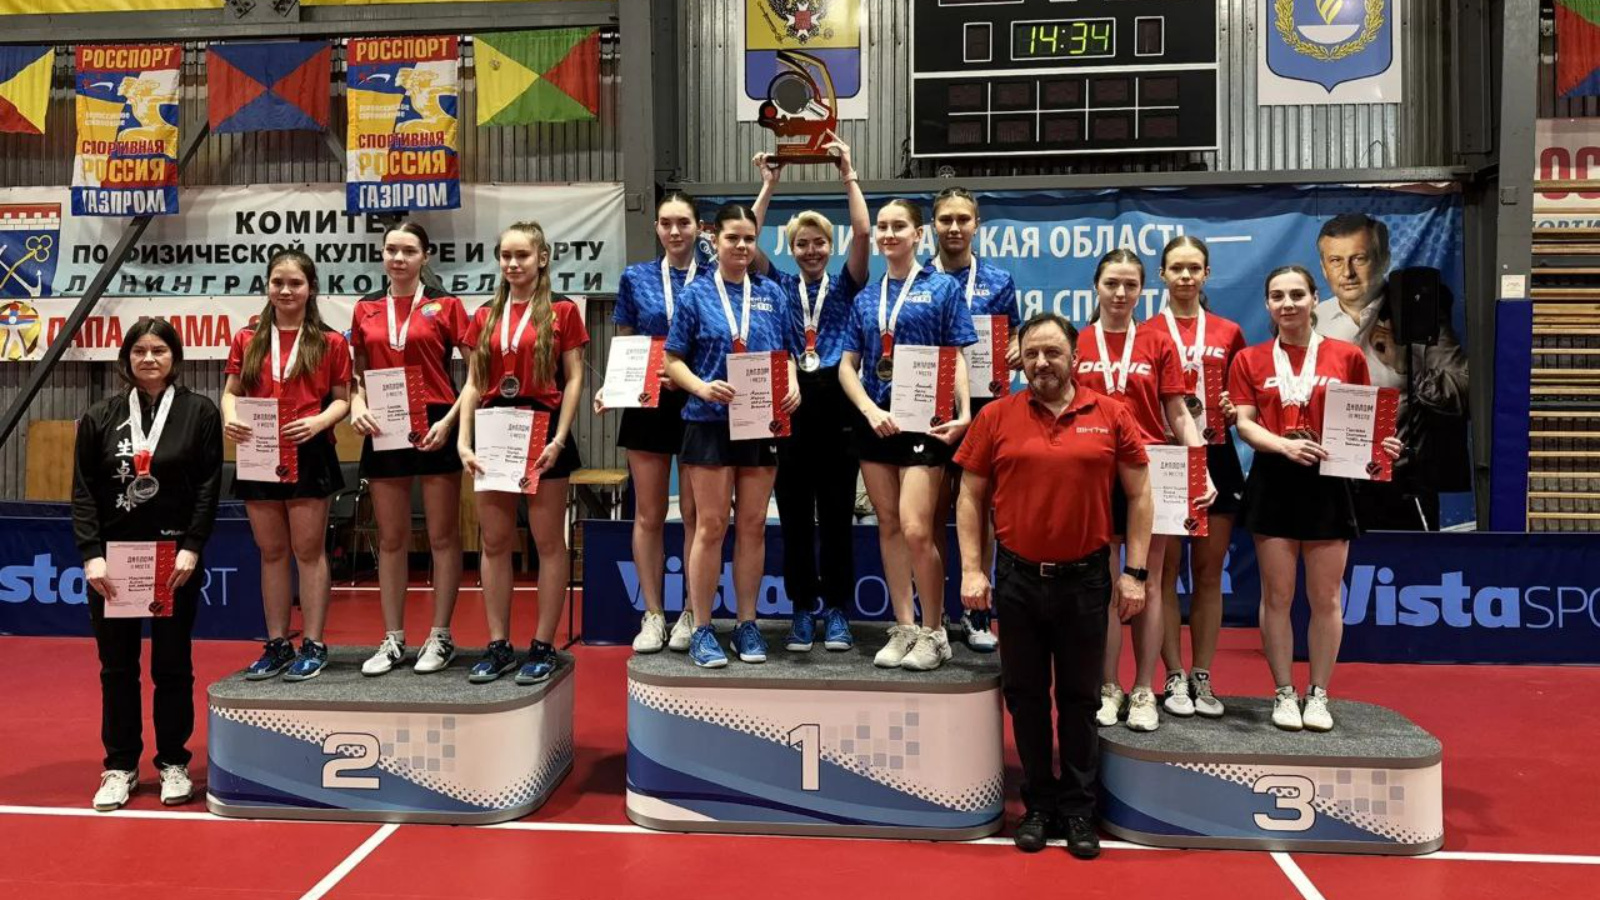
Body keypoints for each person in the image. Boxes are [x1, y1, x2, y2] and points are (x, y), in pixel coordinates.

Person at [956, 312, 1152, 859]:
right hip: (1017, 578)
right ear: (1020, 359)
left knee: (1081, 698)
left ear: (1075, 357)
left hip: (1086, 580)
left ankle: (1079, 808)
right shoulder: (995, 416)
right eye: (1032, 354)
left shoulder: (1111, 414)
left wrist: (1135, 572)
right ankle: (1040, 804)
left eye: (1053, 353)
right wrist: (972, 568)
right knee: (1026, 698)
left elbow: (1140, 495)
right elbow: (969, 496)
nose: (1041, 363)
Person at [1231, 265, 1403, 732]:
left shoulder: (1346, 355)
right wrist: (1283, 445)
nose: (1287, 304)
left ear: (1313, 299)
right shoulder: (1250, 360)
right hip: (1274, 480)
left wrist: (1381, 444)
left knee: (1325, 596)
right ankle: (1284, 693)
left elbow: (1364, 419)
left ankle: (1319, 694)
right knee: (1277, 596)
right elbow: (1244, 423)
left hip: (1329, 483)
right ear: (1267, 304)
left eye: (1296, 295)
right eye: (1277, 296)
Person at [74, 320, 222, 811]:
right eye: (139, 351)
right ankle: (119, 766)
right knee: (117, 667)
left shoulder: (199, 413)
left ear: (174, 357)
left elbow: (208, 486)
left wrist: (192, 545)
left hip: (173, 560)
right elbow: (83, 491)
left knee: (172, 664)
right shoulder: (100, 416)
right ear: (126, 358)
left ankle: (173, 762)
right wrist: (91, 554)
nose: (149, 359)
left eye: (159, 350)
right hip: (114, 562)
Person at [1076, 248, 1212, 732]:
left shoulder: (1158, 342)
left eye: (1130, 285)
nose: (1120, 293)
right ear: (1096, 286)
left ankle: (1142, 690)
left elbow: (1177, 411)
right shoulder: (1078, 341)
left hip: (1151, 469)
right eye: (1112, 283)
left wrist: (1202, 469)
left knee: (1150, 583)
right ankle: (1109, 685)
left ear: (1141, 289)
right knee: (1107, 584)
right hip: (1092, 472)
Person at [838, 198, 976, 673]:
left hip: (924, 422)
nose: (889, 234)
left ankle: (935, 631)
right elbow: (848, 365)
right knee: (890, 526)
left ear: (919, 234)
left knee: (917, 527)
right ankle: (904, 626)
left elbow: (956, 355)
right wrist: (868, 409)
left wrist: (963, 412)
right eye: (882, 226)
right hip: (878, 422)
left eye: (899, 226)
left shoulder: (942, 289)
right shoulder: (865, 298)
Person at [663, 202, 801, 668]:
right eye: (732, 238)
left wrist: (793, 384)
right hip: (708, 422)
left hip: (760, 421)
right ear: (714, 240)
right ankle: (702, 627)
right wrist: (701, 387)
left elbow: (787, 354)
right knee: (711, 525)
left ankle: (747, 623)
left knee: (754, 524)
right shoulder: (696, 294)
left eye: (749, 238)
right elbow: (672, 360)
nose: (742, 246)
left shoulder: (772, 293)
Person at [749, 137, 869, 653]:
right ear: (792, 249)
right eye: (802, 244)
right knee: (795, 514)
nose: (812, 250)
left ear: (830, 246)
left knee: (838, 513)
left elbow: (863, 231)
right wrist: (769, 185)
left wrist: (848, 172)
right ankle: (802, 609)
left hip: (838, 401)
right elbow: (748, 237)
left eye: (820, 242)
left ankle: (837, 610)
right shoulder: (777, 285)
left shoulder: (847, 285)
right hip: (790, 401)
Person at [458, 221, 588, 684]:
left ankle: (543, 645)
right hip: (496, 427)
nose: (513, 264)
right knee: (494, 542)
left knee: (548, 542)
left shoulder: (563, 311)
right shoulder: (484, 315)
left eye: (522, 256)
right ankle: (498, 645)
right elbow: (474, 382)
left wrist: (560, 437)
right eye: (506, 256)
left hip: (543, 428)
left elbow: (574, 377)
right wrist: (463, 440)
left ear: (542, 258)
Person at [223, 250, 352, 682]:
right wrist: (230, 416)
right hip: (259, 448)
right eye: (277, 282)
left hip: (309, 448)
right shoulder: (247, 338)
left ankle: (313, 644)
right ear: (267, 286)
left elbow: (342, 400)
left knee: (308, 551)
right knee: (272, 552)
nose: (285, 290)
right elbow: (231, 392)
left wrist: (319, 421)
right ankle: (278, 643)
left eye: (295, 283)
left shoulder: (331, 342)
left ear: (310, 288)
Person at [348, 222, 470, 676]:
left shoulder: (447, 306)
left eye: (408, 251)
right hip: (385, 421)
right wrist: (357, 404)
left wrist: (450, 422)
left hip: (435, 420)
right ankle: (393, 638)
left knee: (442, 536)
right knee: (392, 537)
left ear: (425, 256)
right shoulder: (366, 309)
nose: (398, 258)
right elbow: (355, 373)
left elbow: (476, 375)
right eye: (391, 250)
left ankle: (441, 636)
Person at [1313, 213, 1468, 531]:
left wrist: (1406, 365)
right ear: (1323, 267)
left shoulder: (1420, 316)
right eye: (1336, 261)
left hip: (1401, 483)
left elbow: (1463, 391)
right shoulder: (1311, 321)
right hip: (1330, 482)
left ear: (1383, 259)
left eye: (1359, 258)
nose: (1347, 273)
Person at [603, 191, 704, 654]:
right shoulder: (636, 277)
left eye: (683, 222)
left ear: (699, 227)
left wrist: (689, 377)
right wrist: (614, 386)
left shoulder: (714, 275)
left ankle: (692, 612)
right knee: (648, 514)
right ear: (657, 228)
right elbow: (626, 341)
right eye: (666, 223)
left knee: (696, 516)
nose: (675, 231)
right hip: (648, 402)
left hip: (699, 402)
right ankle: (654, 614)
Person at [1153, 237, 1247, 719]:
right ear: (1163, 275)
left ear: (1207, 273)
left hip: (1218, 456)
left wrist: (1232, 407)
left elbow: (1242, 395)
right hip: (1167, 457)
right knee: (1165, 573)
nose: (1186, 276)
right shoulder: (1147, 332)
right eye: (1177, 268)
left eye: (1194, 268)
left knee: (1209, 574)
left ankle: (1202, 673)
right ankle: (1173, 672)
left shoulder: (1229, 331)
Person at [931, 186, 1020, 653]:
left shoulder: (999, 281)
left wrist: (1017, 348)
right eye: (946, 219)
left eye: (963, 219)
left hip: (984, 406)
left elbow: (1013, 333)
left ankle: (977, 610)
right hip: (928, 404)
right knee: (931, 512)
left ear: (977, 224)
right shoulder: (919, 276)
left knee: (980, 509)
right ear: (933, 225)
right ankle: (933, 612)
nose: (954, 227)